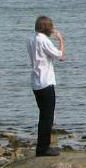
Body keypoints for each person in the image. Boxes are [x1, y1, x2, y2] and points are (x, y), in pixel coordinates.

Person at [27, 15, 65, 156]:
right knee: (48, 116)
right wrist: (60, 39)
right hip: (46, 82)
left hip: (36, 81)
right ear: (47, 28)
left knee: (43, 115)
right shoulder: (44, 41)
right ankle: (44, 148)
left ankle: (41, 146)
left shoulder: (31, 39)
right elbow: (60, 56)